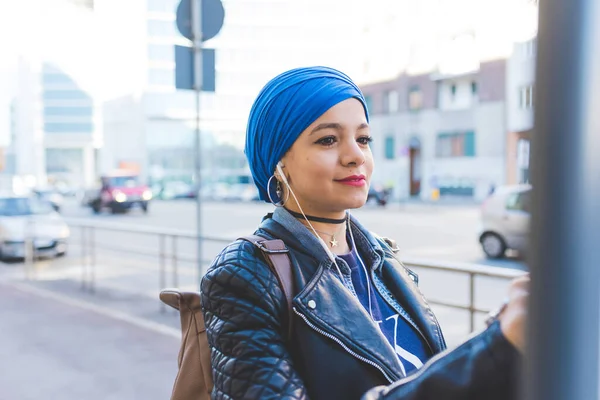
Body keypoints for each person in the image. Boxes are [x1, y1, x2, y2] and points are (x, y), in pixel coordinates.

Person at [201, 66, 528, 400]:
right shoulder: (243, 274)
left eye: (363, 139)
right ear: (278, 161)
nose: (356, 155)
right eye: (328, 139)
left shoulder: (382, 256)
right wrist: (492, 353)